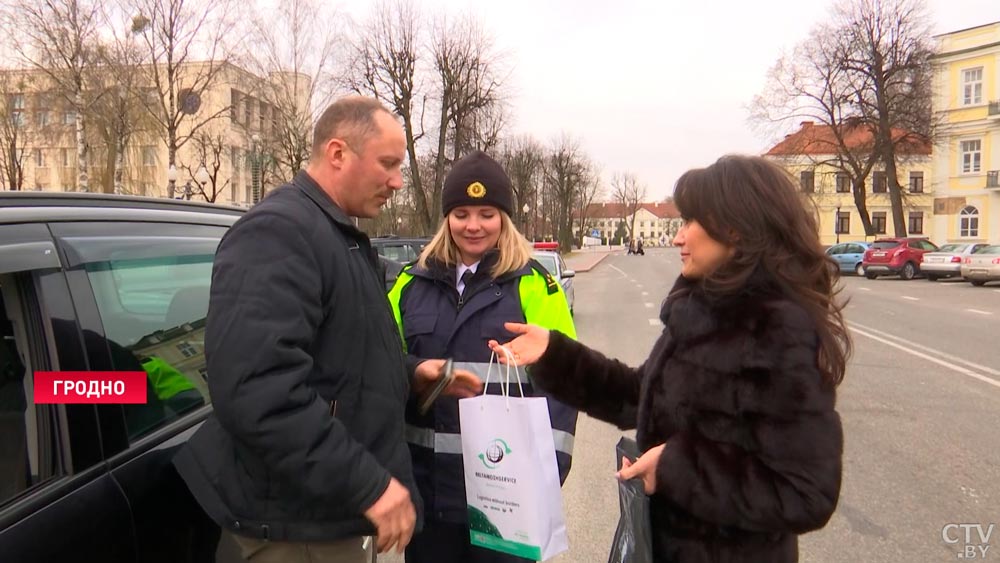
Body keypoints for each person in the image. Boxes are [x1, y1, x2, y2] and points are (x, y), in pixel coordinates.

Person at [489, 155, 849, 563]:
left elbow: (806, 491)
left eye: (690, 222)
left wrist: (679, 468)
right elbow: (641, 396)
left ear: (735, 230)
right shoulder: (702, 311)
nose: (679, 238)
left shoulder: (776, 330)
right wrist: (555, 355)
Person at [173, 97, 479, 563]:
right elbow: (258, 390)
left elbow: (340, 356)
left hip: (329, 520)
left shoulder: (337, 237)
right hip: (296, 534)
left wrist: (411, 373)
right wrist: (369, 484)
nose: (398, 181)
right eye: (388, 164)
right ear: (338, 153)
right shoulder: (278, 233)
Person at [387, 150, 578, 563]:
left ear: (504, 218)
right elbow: (382, 366)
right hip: (429, 493)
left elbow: (565, 382)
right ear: (447, 219)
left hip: (506, 496)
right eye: (462, 213)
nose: (473, 226)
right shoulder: (408, 284)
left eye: (487, 213)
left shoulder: (535, 285)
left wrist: (546, 473)